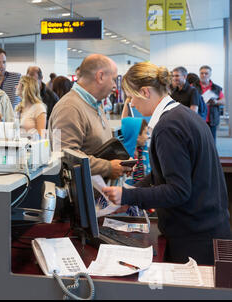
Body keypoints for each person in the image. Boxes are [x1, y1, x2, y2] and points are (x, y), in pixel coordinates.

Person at [103, 62, 231, 265]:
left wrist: (127, 195)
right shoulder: (182, 115)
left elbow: (179, 190)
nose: (132, 104)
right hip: (207, 227)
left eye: (132, 97)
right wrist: (131, 193)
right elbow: (162, 174)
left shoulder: (169, 126)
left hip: (195, 238)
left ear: (145, 91)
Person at [48, 54, 132, 179]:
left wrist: (120, 160)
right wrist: (108, 167)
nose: (115, 86)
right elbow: (65, 156)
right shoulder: (69, 108)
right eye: (113, 79)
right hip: (81, 195)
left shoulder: (95, 104)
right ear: (100, 76)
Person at [199, 65, 225, 141]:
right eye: (202, 73)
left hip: (211, 119)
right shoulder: (193, 87)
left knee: (211, 141)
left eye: (206, 73)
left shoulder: (216, 88)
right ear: (199, 74)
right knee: (199, 141)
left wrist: (216, 101)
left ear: (210, 74)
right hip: (198, 118)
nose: (204, 75)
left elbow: (223, 101)